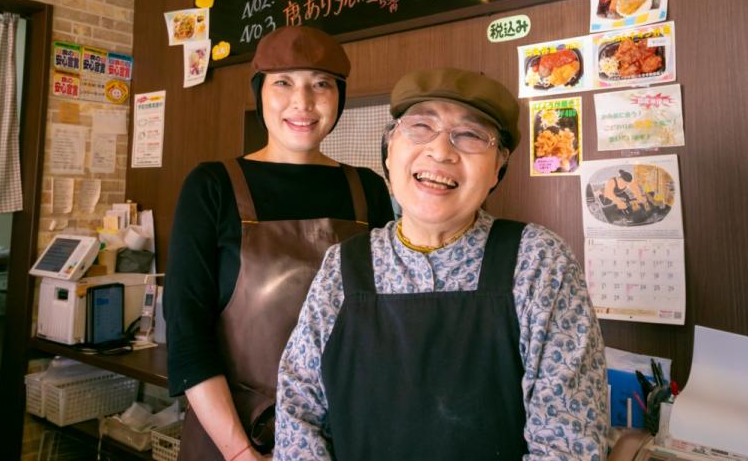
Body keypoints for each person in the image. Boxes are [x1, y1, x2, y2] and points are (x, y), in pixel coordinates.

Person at [275, 67, 607, 460]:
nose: (441, 151)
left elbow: (568, 445)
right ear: (389, 147)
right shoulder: (344, 264)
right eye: (420, 127)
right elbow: (298, 410)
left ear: (498, 166)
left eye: (469, 135)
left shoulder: (537, 262)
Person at [164, 26, 395, 461]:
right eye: (283, 82)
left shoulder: (368, 189)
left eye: (321, 84)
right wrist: (239, 453)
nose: (302, 103)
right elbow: (187, 334)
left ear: (338, 97)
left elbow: (388, 323)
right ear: (260, 93)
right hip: (234, 433)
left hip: (344, 430)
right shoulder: (212, 185)